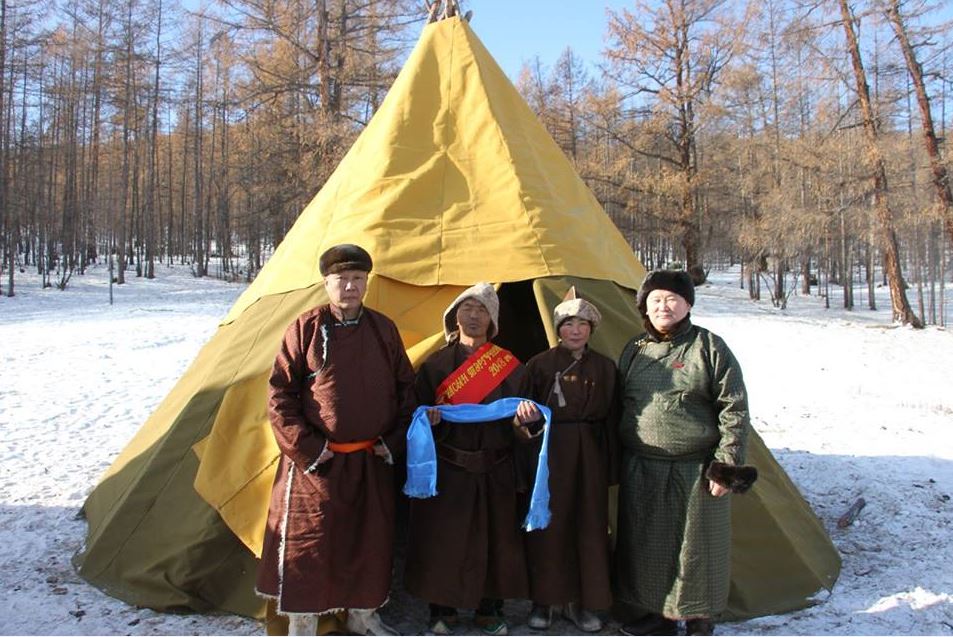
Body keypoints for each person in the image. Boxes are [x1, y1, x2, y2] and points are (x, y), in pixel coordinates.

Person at [255, 244, 416, 636]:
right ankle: (303, 624)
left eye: (357, 279)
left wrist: (392, 442)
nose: (349, 286)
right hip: (317, 466)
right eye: (341, 279)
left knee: (369, 542)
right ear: (326, 283)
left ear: (366, 283)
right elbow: (280, 396)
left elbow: (406, 390)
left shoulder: (383, 329)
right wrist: (309, 448)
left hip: (370, 459)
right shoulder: (305, 328)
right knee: (310, 547)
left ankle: (363, 617)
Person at [615, 270, 758, 637]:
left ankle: (698, 618)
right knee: (648, 546)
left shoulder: (709, 347)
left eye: (671, 299)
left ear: (687, 304)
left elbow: (734, 407)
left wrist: (726, 465)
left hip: (696, 468)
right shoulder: (634, 349)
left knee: (697, 548)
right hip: (643, 467)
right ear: (645, 307)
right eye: (655, 300)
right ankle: (656, 614)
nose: (663, 306)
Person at [404, 282, 530, 636]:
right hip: (449, 468)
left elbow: (522, 421)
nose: (474, 316)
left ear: (492, 320)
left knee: (495, 539)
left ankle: (490, 608)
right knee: (444, 539)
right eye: (467, 309)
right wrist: (430, 422)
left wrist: (524, 424)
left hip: (496, 468)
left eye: (482, 310)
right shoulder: (436, 365)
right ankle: (441, 609)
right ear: (454, 316)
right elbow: (415, 417)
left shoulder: (510, 367)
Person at [515, 289, 619, 633]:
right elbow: (520, 415)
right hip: (550, 453)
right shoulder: (539, 365)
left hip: (590, 452)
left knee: (588, 526)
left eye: (582, 324)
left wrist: (611, 465)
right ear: (558, 327)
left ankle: (581, 601)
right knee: (549, 526)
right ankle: (544, 601)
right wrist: (525, 427)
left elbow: (614, 418)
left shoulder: (605, 367)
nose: (575, 331)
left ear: (592, 328)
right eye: (568, 324)